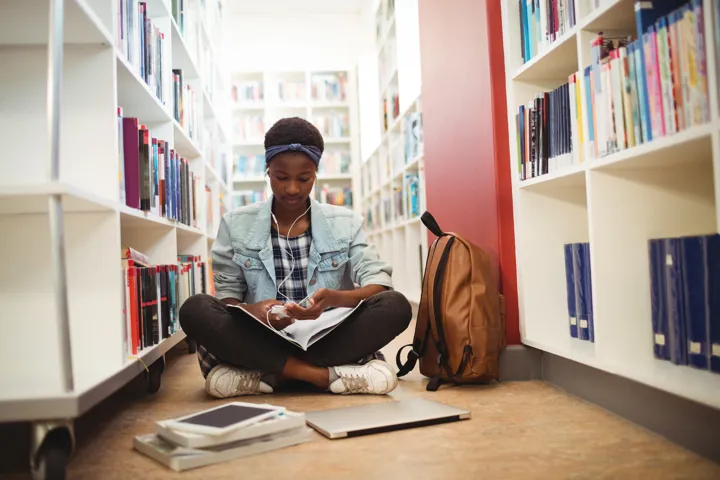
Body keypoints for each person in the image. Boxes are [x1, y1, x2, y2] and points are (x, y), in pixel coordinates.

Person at [179, 117, 412, 398]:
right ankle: (321, 376)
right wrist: (254, 312)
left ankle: (270, 375)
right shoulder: (235, 224)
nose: (292, 189)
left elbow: (379, 284)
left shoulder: (345, 222)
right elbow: (228, 298)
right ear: (267, 171)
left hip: (325, 338)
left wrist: (335, 299)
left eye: (304, 179)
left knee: (396, 306)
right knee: (195, 309)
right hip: (262, 337)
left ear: (315, 173)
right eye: (281, 177)